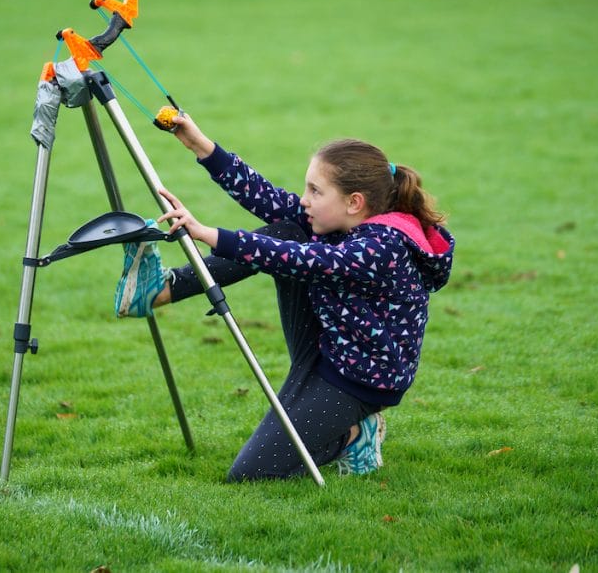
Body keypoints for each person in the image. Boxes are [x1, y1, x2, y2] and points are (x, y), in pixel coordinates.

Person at [113, 111, 455, 481]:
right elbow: (266, 197)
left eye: (315, 191)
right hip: (327, 347)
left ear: (354, 202)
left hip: (359, 380)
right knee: (290, 229)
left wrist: (208, 233)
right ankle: (163, 289)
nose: (305, 199)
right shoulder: (342, 219)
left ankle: (355, 435)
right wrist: (200, 145)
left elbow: (304, 260)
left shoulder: (383, 246)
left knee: (249, 475)